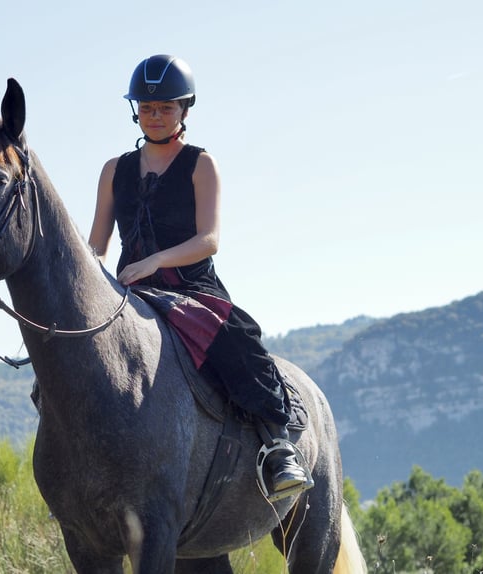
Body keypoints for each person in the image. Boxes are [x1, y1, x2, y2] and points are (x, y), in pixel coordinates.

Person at [87, 54, 312, 495]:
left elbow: (209, 239)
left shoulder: (200, 164)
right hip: (128, 288)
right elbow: (97, 244)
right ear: (136, 110)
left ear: (184, 109)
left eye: (165, 107)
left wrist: (154, 261)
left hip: (191, 289)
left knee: (236, 339)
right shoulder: (114, 171)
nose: (155, 116)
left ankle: (278, 444)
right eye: (147, 107)